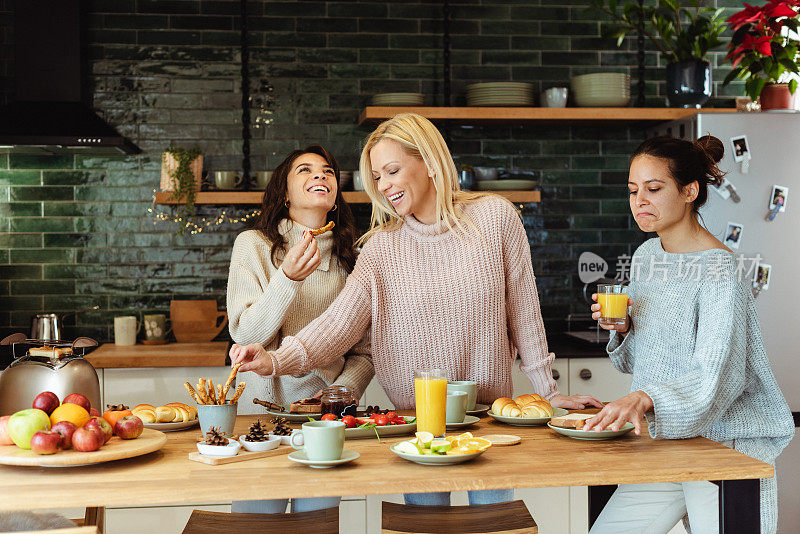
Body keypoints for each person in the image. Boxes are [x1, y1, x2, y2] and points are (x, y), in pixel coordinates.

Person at [230, 113, 602, 507]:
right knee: (425, 526)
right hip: (416, 428)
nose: (384, 186)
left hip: (487, 421)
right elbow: (336, 328)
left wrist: (548, 391)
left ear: (429, 162)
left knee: (495, 525)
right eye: (377, 177)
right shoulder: (379, 249)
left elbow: (524, 313)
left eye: (392, 170)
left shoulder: (495, 218)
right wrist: (273, 360)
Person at [586, 135, 794, 534]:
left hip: (724, 449)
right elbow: (640, 360)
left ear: (689, 191)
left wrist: (645, 397)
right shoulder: (648, 257)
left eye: (654, 188)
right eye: (633, 191)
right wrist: (625, 327)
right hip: (667, 442)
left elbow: (718, 377)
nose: (639, 201)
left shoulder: (719, 272)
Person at [226, 145, 373, 514]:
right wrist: (287, 279)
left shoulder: (353, 258)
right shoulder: (254, 246)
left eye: (327, 171)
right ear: (285, 193)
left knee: (318, 524)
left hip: (322, 423)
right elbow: (245, 335)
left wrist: (342, 392)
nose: (320, 176)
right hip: (257, 418)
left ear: (336, 196)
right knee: (256, 524)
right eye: (304, 170)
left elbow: (365, 353)